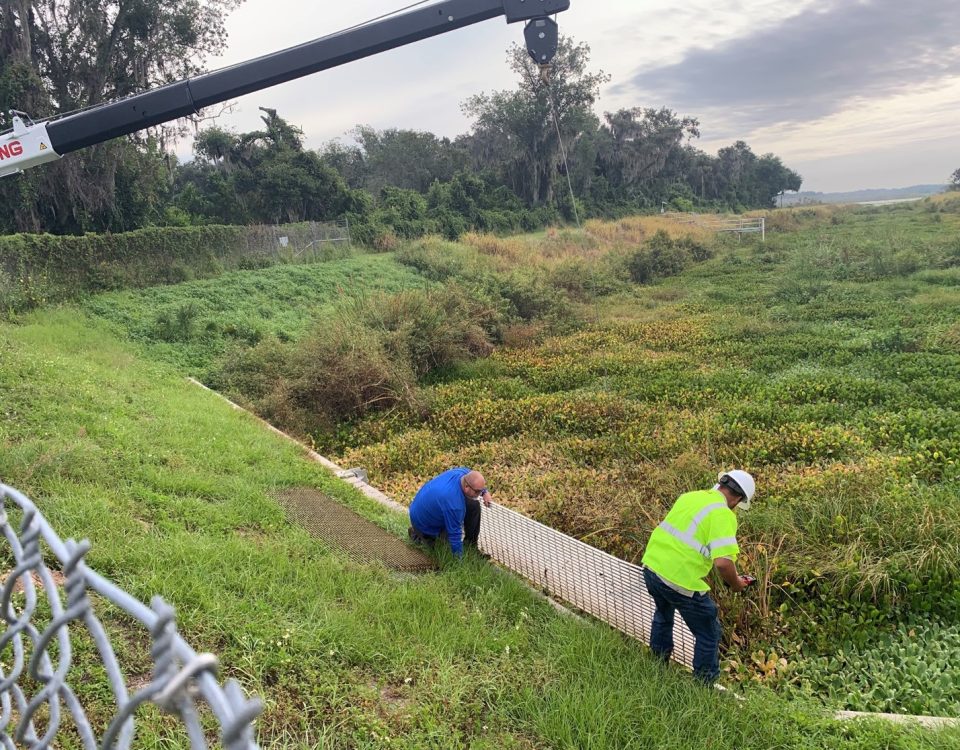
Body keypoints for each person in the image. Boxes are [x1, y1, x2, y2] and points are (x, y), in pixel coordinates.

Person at [641, 470, 756, 684]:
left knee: (663, 616)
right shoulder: (723, 514)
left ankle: (657, 666)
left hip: (652, 568)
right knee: (709, 632)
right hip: (679, 580)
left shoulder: (690, 496)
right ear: (739, 498)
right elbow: (722, 562)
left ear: (721, 484)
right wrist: (737, 583)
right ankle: (704, 686)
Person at [408, 467, 493, 558]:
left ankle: (470, 545)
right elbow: (455, 534)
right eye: (477, 491)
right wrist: (458, 562)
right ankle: (418, 536)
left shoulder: (461, 473)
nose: (479, 494)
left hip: (427, 506)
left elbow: (471, 474)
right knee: (444, 551)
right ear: (466, 486)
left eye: (481, 491)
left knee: (473, 505)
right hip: (422, 522)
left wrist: (485, 492)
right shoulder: (454, 505)